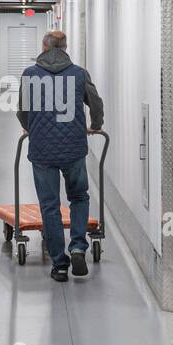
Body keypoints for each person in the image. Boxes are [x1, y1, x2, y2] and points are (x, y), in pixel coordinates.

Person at [16, 30, 105, 282]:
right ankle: (77, 246)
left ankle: (59, 264)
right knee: (78, 196)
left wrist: (29, 127)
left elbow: (22, 110)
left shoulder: (30, 74)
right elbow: (95, 103)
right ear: (65, 47)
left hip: (42, 150)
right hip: (74, 149)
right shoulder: (79, 73)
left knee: (50, 205)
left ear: (44, 47)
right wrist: (96, 125)